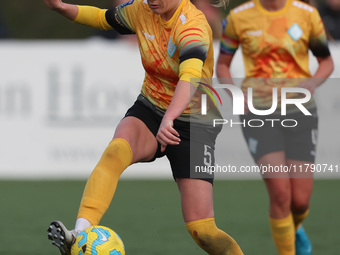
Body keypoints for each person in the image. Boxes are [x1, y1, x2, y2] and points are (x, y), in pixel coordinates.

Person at [43, 0, 244, 254]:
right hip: (150, 108)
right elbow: (101, 18)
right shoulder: (142, 9)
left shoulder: (193, 25)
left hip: (194, 124)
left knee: (202, 230)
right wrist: (62, 7)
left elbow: (190, 79)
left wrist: (170, 118)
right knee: (116, 151)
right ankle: (80, 234)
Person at [216, 0, 334, 254]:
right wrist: (236, 93)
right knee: (280, 194)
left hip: (300, 112)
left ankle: (296, 228)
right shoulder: (238, 18)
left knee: (300, 201)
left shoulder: (307, 15)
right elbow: (222, 64)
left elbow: (326, 62)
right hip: (258, 114)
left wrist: (312, 84)